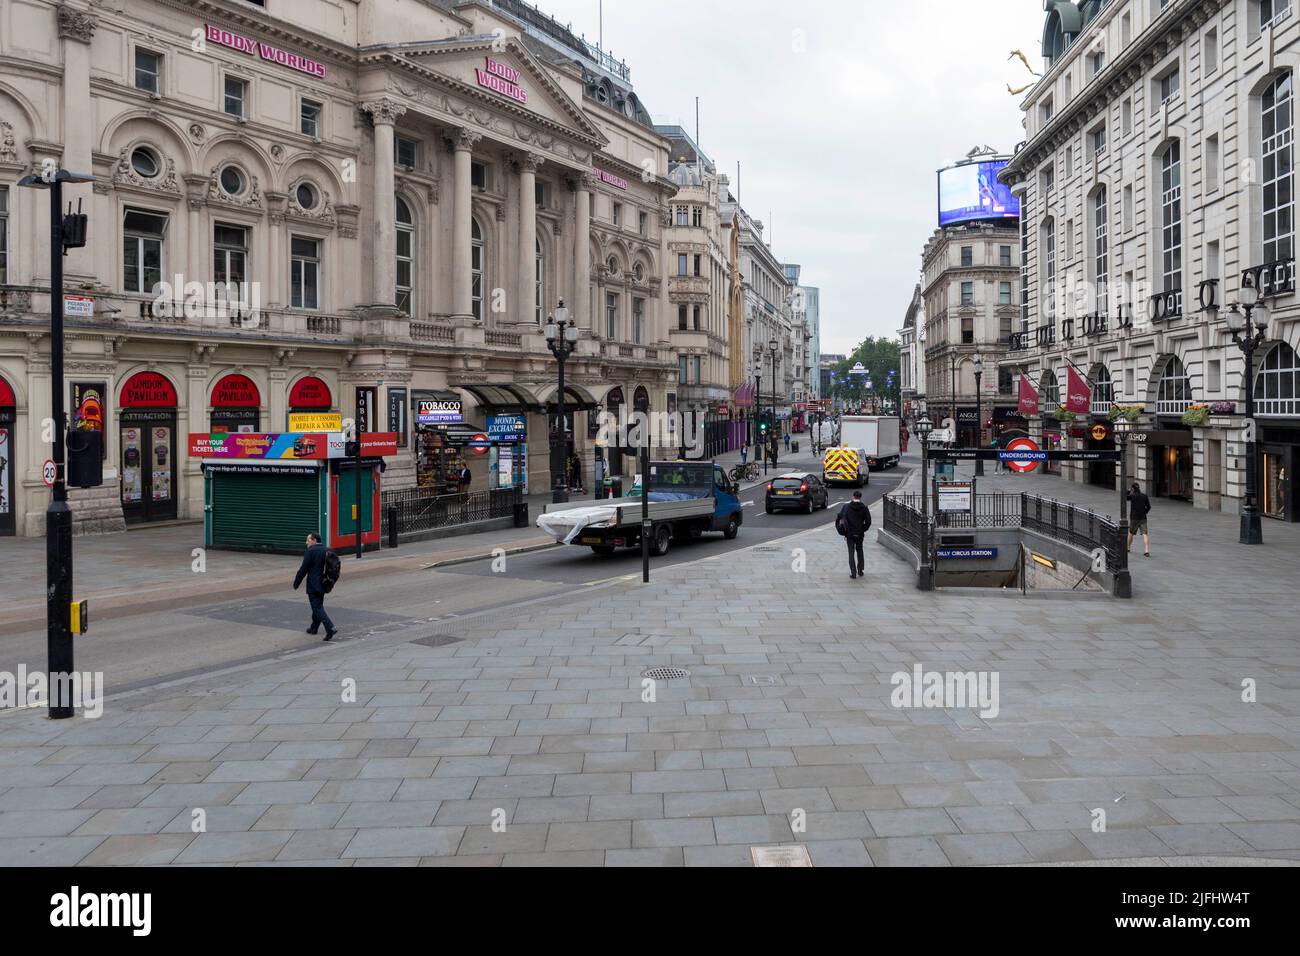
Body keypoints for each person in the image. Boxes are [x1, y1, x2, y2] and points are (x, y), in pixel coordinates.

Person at [293, 532, 338, 641]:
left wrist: (296, 583)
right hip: (325, 583)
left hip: (314, 584)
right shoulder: (328, 550)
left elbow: (304, 569)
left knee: (317, 607)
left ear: (314, 540)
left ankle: (330, 627)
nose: (306, 542)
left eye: (308, 540)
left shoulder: (311, 551)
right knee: (318, 605)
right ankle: (314, 628)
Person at [837, 490, 873, 580]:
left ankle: (853, 573)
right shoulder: (864, 508)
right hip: (860, 533)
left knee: (851, 552)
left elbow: (840, 518)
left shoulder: (846, 507)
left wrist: (844, 532)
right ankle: (860, 570)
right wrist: (863, 529)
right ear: (860, 497)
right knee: (860, 551)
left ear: (853, 496)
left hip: (849, 533)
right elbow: (868, 522)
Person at [1127, 482, 1152, 557]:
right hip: (1143, 518)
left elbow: (1125, 497)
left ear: (1133, 488)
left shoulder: (1132, 496)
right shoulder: (1144, 496)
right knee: (1145, 534)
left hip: (1134, 518)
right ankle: (1146, 550)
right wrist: (1145, 512)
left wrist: (1128, 491)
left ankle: (1128, 547)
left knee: (1131, 533)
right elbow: (1149, 507)